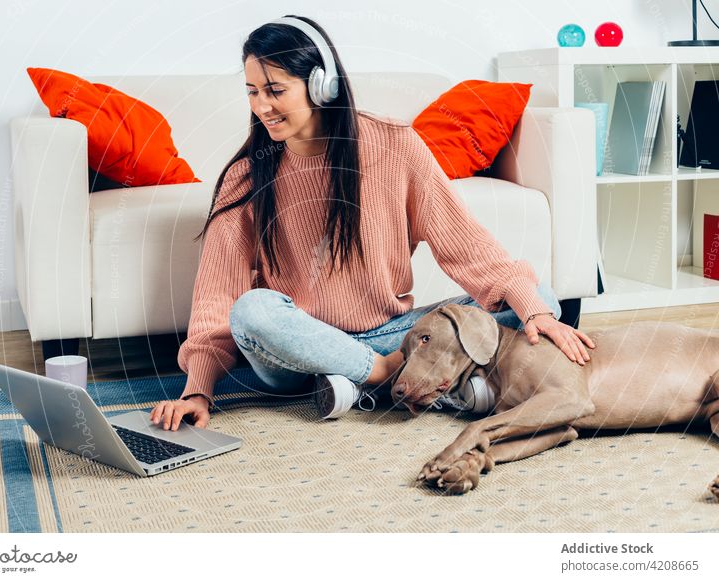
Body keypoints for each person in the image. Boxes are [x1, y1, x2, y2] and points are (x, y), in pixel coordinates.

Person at [150, 14, 595, 431]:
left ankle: (354, 385)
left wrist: (533, 310)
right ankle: (395, 379)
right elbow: (216, 297)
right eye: (252, 91)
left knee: (539, 297)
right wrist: (198, 391)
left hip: (392, 334)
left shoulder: (393, 146)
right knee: (252, 310)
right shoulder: (246, 176)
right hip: (297, 349)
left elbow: (468, 247)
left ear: (321, 86)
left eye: (275, 90)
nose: (262, 105)